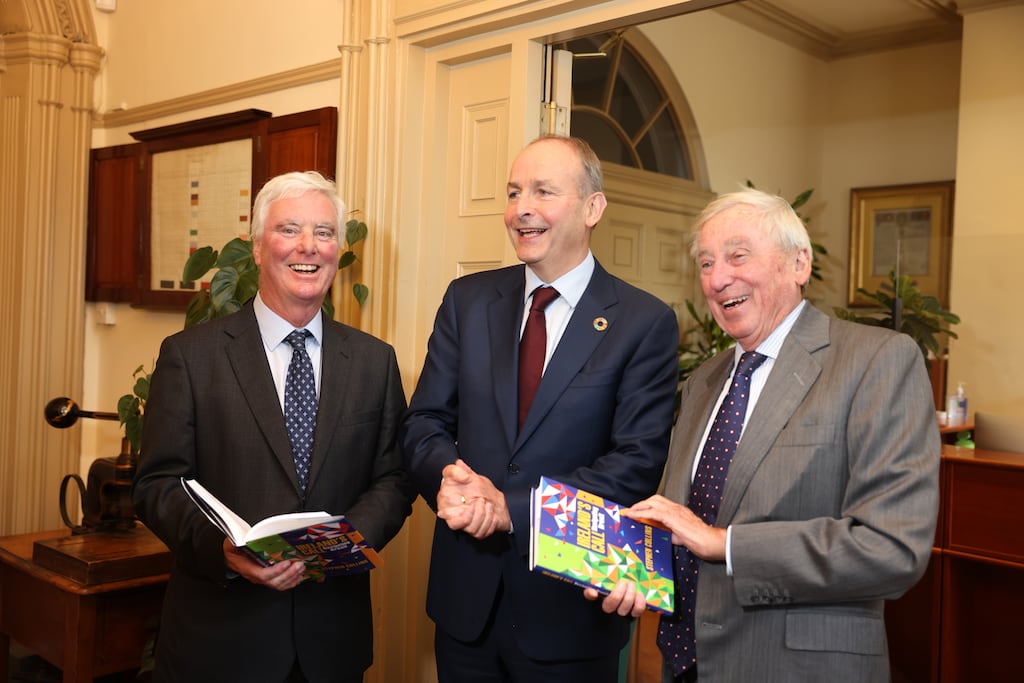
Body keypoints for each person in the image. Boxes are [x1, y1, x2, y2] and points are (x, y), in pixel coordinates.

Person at [597, 187, 940, 682]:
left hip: (796, 668)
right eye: (707, 263)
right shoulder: (703, 382)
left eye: (737, 256)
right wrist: (632, 574)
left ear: (799, 264)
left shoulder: (877, 361)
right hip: (684, 663)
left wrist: (726, 545)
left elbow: (892, 548)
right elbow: (681, 528)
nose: (718, 279)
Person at [400, 134, 680, 682]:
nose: (521, 208)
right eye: (513, 192)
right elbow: (425, 420)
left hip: (569, 612)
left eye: (543, 191)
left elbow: (636, 462)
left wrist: (513, 508)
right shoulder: (467, 300)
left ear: (592, 208)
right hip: (466, 606)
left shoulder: (643, 323)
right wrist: (450, 477)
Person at [132, 171, 413, 683]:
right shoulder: (191, 357)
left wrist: (340, 543)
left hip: (331, 643)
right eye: (289, 230)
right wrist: (221, 552)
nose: (309, 247)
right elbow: (156, 485)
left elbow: (394, 479)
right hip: (218, 643)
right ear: (257, 249)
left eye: (325, 233)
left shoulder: (375, 361)